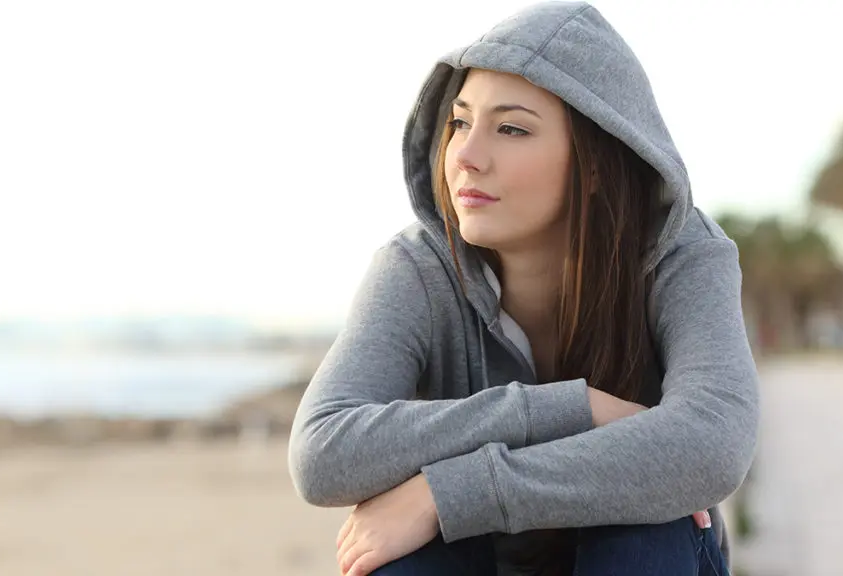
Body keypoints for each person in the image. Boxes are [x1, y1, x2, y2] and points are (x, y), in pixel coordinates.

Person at [287, 2, 759, 575]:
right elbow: (321, 451)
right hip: (480, 558)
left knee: (644, 533)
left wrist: (448, 492)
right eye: (460, 121)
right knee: (397, 560)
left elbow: (711, 442)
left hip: (640, 558)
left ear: (594, 162)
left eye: (511, 129)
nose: (464, 155)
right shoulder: (417, 268)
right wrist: (569, 408)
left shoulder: (682, 254)